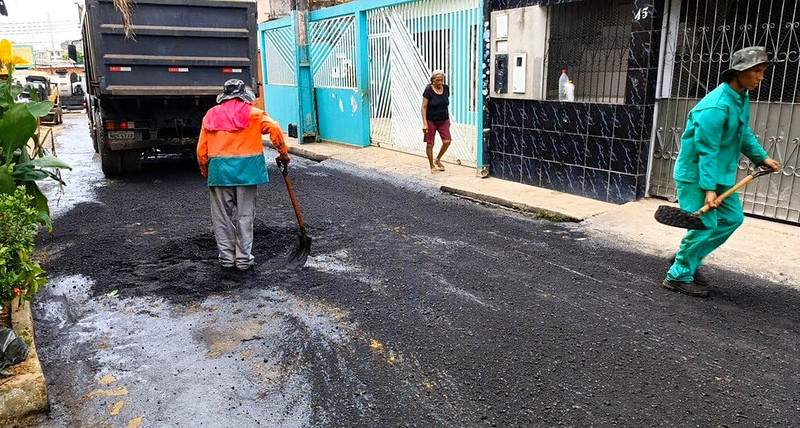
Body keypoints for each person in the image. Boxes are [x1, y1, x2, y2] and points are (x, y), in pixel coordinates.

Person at [662, 46, 781, 298]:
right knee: (704, 224)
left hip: (719, 176)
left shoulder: (740, 98)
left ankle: (686, 257)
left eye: (762, 71)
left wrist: (761, 157)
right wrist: (708, 191)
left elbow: (743, 132)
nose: (761, 77)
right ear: (739, 72)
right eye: (756, 71)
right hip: (697, 176)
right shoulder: (715, 107)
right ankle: (677, 275)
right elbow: (707, 151)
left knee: (733, 218)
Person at [197, 79, 290, 271]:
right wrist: (283, 153)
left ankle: (226, 259)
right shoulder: (253, 114)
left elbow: (201, 150)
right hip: (247, 173)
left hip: (219, 173)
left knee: (221, 218)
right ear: (243, 95)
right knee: (245, 216)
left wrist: (206, 170)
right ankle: (243, 260)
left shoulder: (210, 115)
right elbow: (274, 128)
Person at [421, 70, 451, 174]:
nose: (440, 82)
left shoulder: (446, 88)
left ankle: (438, 159)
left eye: (441, 80)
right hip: (431, 120)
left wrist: (449, 120)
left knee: (447, 141)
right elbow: (424, 107)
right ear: (433, 80)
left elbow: (445, 104)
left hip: (444, 120)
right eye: (437, 80)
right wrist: (425, 123)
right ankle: (431, 165)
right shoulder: (428, 90)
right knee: (430, 144)